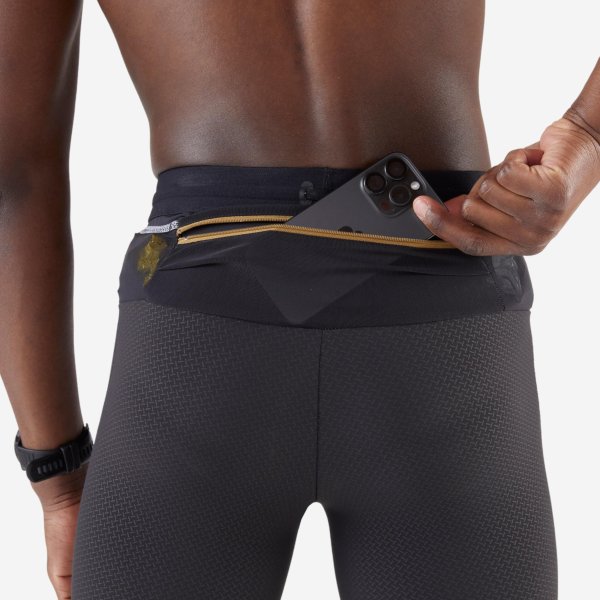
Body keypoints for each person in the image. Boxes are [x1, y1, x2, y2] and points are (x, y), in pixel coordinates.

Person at [1, 1, 598, 598]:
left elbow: (13, 177)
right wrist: (585, 136)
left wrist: (60, 480)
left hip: (195, 345)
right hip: (446, 326)